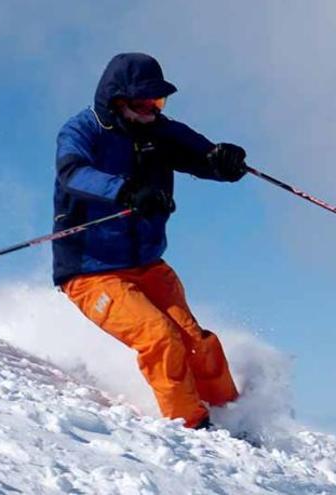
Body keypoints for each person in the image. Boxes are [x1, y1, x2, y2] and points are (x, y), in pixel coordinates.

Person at [52, 52, 248, 429]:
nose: (152, 110)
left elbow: (203, 155)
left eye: (159, 101)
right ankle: (193, 426)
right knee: (161, 339)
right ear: (117, 101)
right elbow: (72, 173)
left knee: (199, 344)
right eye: (144, 102)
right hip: (90, 272)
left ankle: (232, 417)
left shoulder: (158, 130)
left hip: (147, 264)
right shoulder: (82, 131)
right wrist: (125, 191)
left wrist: (225, 161)